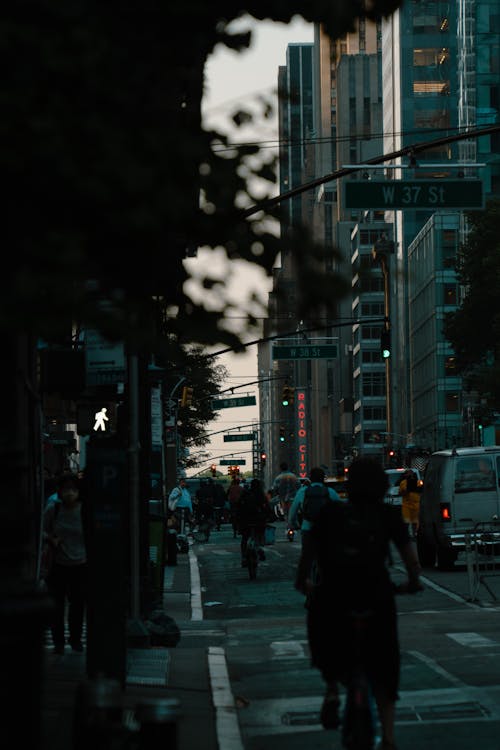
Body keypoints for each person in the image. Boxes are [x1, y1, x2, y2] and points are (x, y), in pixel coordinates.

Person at [306, 457, 423, 750]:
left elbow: (308, 559)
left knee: (320, 628)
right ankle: (389, 738)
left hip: (334, 597)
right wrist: (412, 583)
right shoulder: (387, 515)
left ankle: (332, 689)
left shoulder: (331, 514)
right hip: (376, 596)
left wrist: (306, 586)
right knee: (386, 662)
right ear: (382, 486)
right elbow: (412, 561)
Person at [42, 473, 88, 654]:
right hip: (58, 564)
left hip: (80, 563)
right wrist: (51, 539)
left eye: (73, 489)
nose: (69, 493)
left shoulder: (84, 511)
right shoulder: (53, 510)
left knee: (77, 605)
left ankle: (75, 640)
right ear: (59, 491)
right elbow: (42, 530)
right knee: (57, 605)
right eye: (65, 489)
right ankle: (58, 641)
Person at [289, 467, 342, 593]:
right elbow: (341, 511)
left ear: (310, 479)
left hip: (308, 529)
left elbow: (293, 511)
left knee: (306, 557)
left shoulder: (303, 492)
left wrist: (292, 523)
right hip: (327, 530)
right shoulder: (330, 492)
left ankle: (302, 582)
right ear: (323, 479)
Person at [235, 478, 270, 566]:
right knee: (260, 535)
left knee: (244, 539)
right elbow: (267, 508)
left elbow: (238, 506)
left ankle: (243, 557)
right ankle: (260, 549)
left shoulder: (245, 493)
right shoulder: (261, 495)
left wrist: (238, 517)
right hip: (258, 521)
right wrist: (269, 516)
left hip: (246, 520)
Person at [398, 469, 421, 537]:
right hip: (406, 506)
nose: (409, 475)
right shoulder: (402, 483)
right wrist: (407, 491)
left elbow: (421, 491)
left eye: (411, 474)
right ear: (405, 475)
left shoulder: (419, 482)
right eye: (407, 474)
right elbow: (400, 493)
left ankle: (414, 534)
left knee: (415, 522)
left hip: (416, 505)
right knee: (406, 522)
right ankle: (406, 535)